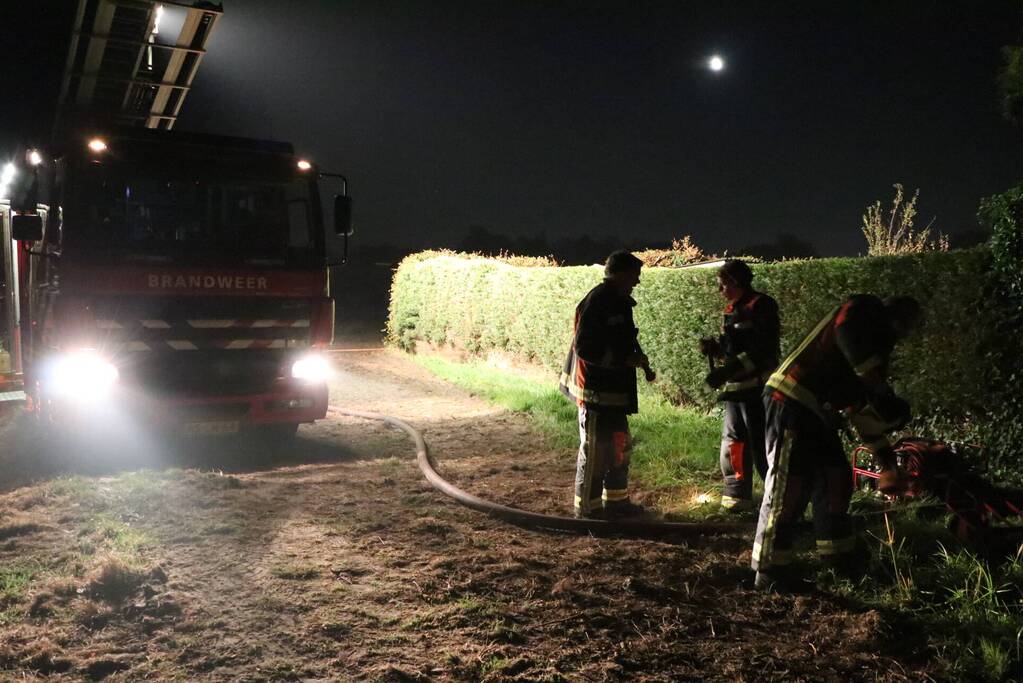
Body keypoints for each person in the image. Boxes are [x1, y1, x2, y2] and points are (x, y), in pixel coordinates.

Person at [752, 294, 921, 591]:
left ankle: (838, 559)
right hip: (789, 400)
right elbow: (845, 329)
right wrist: (876, 385)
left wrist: (888, 466)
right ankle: (769, 573)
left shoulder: (875, 360)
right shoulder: (863, 308)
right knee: (788, 490)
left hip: (819, 412)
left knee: (835, 480)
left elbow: (862, 414)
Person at [559, 251, 655, 519]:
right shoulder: (598, 301)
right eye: (635, 275)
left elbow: (619, 338)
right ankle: (587, 509)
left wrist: (634, 358)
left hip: (614, 393)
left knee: (618, 446)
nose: (637, 281)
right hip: (595, 392)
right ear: (621, 273)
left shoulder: (618, 302)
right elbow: (584, 347)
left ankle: (616, 502)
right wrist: (623, 360)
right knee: (596, 451)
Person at [700, 260, 780, 512]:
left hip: (758, 389)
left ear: (735, 282)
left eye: (722, 285)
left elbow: (764, 350)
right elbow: (734, 349)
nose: (719, 290)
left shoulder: (761, 305)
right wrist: (716, 350)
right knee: (734, 444)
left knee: (762, 447)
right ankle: (736, 498)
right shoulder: (732, 309)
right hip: (736, 391)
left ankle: (777, 503)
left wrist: (727, 369)